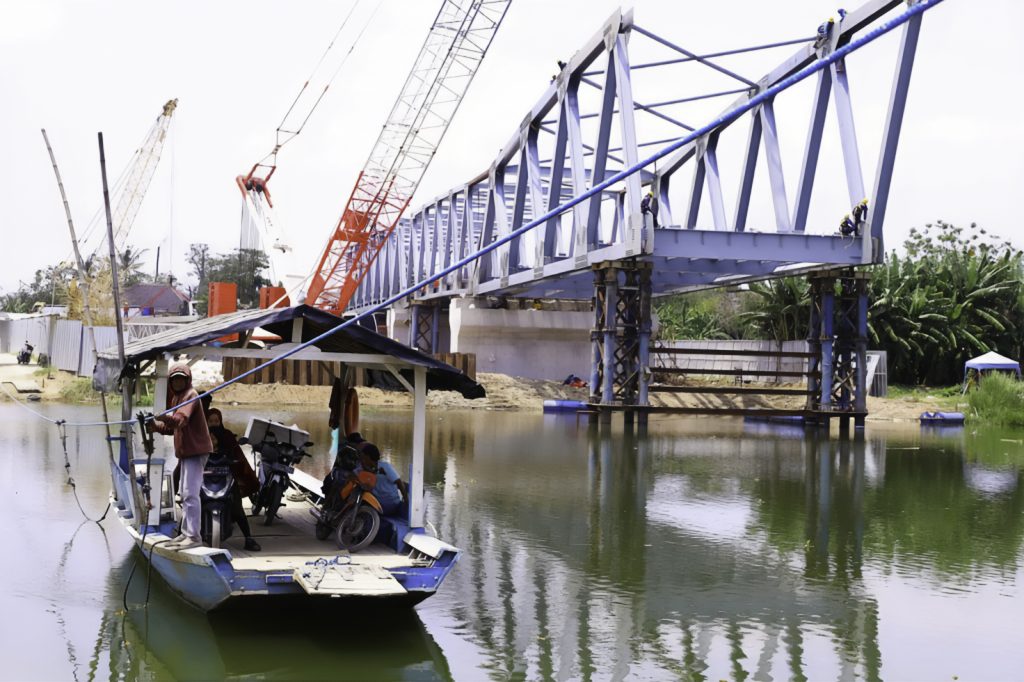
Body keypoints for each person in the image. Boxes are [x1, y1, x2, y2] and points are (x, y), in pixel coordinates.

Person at [148, 364, 212, 550]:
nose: (177, 382)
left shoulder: (190, 396)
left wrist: (164, 418)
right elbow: (171, 428)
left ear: (187, 380)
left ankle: (193, 536)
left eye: (180, 379)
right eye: (174, 379)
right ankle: (186, 533)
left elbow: (180, 421)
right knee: (184, 494)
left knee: (190, 494)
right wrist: (156, 426)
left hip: (196, 451)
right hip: (186, 452)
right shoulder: (177, 397)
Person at [206, 409, 262, 551]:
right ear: (206, 422)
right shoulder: (201, 436)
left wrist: (236, 464)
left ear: (220, 421)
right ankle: (183, 534)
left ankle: (248, 538)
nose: (214, 424)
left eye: (216, 421)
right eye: (210, 421)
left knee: (237, 508)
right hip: (204, 476)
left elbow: (237, 454)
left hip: (226, 476)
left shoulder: (228, 435)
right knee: (191, 502)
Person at [357, 441, 407, 517]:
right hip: (377, 502)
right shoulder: (364, 469)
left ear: (368, 457)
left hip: (390, 504)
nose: (362, 459)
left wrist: (406, 500)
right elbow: (354, 475)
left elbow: (399, 482)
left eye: (364, 457)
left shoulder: (385, 467)